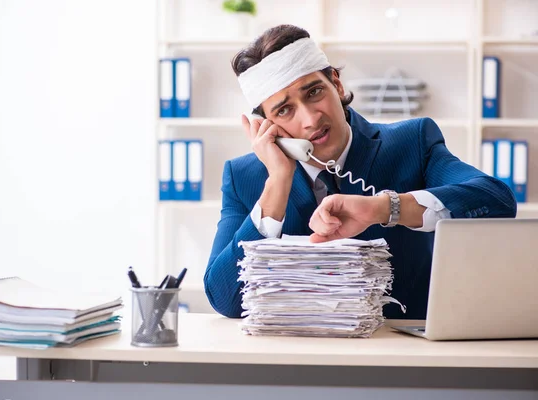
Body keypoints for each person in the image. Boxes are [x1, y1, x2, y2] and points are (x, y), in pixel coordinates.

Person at [204, 24, 517, 320]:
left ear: (337, 85)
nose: (311, 119)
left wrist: (386, 207)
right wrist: (278, 182)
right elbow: (225, 299)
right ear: (267, 127)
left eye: (314, 92)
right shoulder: (244, 176)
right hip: (297, 357)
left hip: (402, 353)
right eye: (284, 110)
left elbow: (497, 201)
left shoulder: (412, 141)